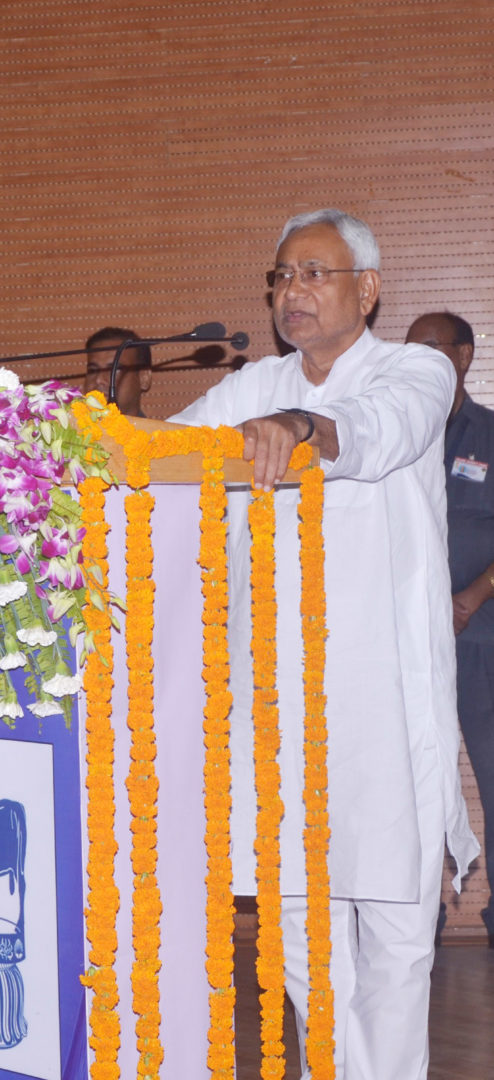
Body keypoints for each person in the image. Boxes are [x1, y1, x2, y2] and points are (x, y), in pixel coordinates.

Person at [168, 210, 479, 1080]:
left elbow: (377, 429)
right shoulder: (251, 385)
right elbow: (170, 454)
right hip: (278, 710)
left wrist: (302, 427)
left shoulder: (413, 370)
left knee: (396, 937)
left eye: (314, 273)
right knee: (302, 932)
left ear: (367, 290)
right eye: (281, 276)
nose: (291, 291)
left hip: (384, 706)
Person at [406, 310, 494, 947]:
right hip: (406, 643)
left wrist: (473, 595)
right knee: (409, 785)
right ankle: (415, 919)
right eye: (409, 350)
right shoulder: (395, 435)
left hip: (481, 637)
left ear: (463, 355)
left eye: (431, 348)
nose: (418, 360)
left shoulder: (490, 434)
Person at [84, 326, 152, 416]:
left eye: (113, 370)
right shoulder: (70, 424)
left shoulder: (160, 426)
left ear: (144, 378)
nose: (99, 379)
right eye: (93, 370)